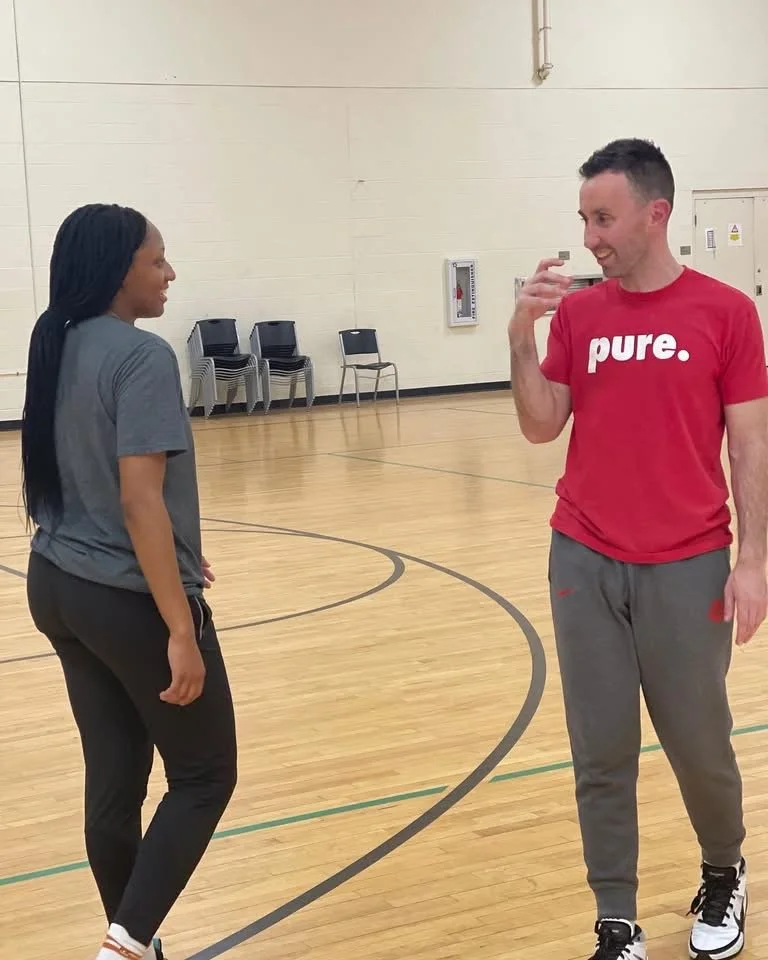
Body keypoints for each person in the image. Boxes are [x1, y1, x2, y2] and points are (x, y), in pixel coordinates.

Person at [508, 139, 768, 960]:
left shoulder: (726, 312)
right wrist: (521, 333)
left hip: (689, 560)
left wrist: (754, 559)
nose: (591, 236)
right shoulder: (582, 316)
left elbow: (750, 447)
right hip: (582, 556)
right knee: (601, 746)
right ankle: (614, 920)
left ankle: (724, 869)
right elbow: (542, 422)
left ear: (656, 215)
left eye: (604, 218)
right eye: (585, 218)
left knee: (698, 741)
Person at [21, 203, 238, 960]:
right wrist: (181, 627)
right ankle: (124, 946)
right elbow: (138, 497)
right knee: (206, 774)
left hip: (56, 584)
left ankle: (130, 938)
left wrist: (180, 551)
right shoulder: (141, 357)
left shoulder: (58, 343)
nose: (169, 273)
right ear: (120, 272)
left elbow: (81, 482)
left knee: (114, 779)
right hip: (122, 599)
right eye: (157, 260)